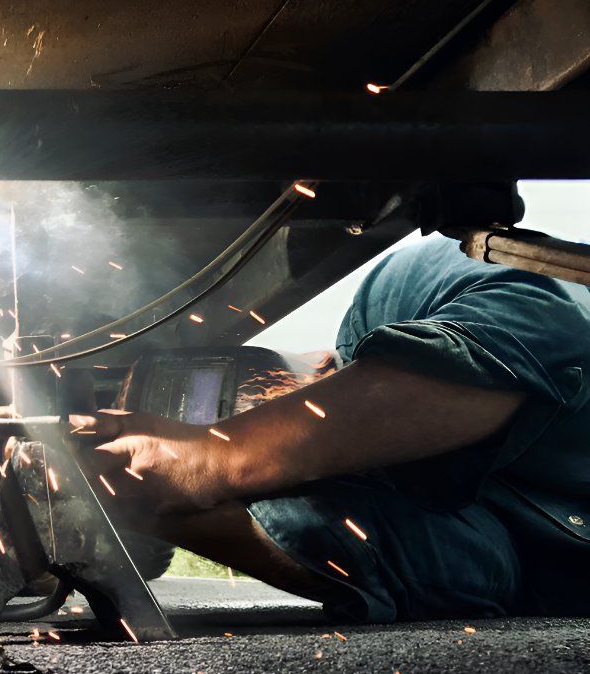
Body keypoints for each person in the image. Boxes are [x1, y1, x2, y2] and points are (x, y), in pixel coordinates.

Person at [74, 235, 590, 622]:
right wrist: (138, 502)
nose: (226, 421)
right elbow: (453, 577)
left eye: (224, 406)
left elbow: (541, 316)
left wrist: (222, 456)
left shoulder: (395, 295)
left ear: (315, 362)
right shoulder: (375, 505)